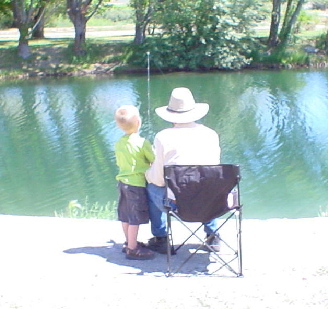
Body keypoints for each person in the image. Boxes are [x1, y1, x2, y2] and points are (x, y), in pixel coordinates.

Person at [145, 87, 222, 254]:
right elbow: (215, 172)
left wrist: (147, 173)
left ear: (171, 114)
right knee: (208, 186)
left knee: (150, 187)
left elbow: (158, 180)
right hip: (210, 204)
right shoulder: (211, 134)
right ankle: (213, 236)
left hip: (177, 205)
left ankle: (161, 238)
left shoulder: (163, 137)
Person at [114, 105, 155, 260]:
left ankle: (129, 241)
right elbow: (153, 160)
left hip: (122, 183)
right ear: (138, 122)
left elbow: (119, 162)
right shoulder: (142, 142)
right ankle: (132, 248)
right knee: (135, 218)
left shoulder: (119, 143)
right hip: (136, 185)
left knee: (125, 215)